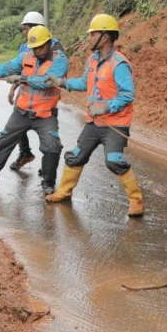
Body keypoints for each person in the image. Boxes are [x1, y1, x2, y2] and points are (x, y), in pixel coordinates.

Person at [45, 14, 144, 217]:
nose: (89, 38)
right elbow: (84, 83)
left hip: (115, 123)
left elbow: (127, 94)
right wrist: (61, 82)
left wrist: (107, 108)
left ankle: (136, 201)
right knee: (75, 156)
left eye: (93, 34)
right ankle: (63, 192)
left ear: (105, 37)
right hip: (94, 122)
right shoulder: (92, 60)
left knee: (114, 161)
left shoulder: (119, 64)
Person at [0, 25, 68, 195]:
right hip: (21, 112)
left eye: (41, 47)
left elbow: (47, 81)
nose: (37, 51)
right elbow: (4, 68)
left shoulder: (60, 60)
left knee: (52, 147)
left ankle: (48, 183)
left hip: (45, 114)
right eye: (34, 48)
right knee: (3, 142)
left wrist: (22, 78)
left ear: (49, 43)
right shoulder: (25, 56)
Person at [7, 11, 64, 172]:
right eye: (24, 29)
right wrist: (13, 88)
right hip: (26, 92)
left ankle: (47, 164)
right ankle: (24, 152)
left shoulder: (54, 46)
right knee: (17, 124)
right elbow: (22, 71)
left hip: (45, 96)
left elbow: (56, 72)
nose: (24, 32)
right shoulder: (24, 47)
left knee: (47, 131)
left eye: (26, 28)